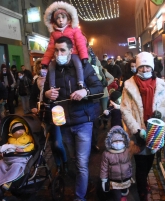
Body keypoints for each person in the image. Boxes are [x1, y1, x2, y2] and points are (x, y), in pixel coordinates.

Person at [44, 36, 104, 201]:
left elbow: (99, 88)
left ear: (71, 50)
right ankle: (85, 185)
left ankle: (79, 197)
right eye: (56, 50)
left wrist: (86, 92)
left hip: (83, 122)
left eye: (62, 50)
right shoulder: (52, 70)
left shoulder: (83, 67)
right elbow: (44, 96)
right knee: (73, 160)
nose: (58, 53)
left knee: (82, 164)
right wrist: (47, 94)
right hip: (63, 124)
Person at [120, 52, 165, 201]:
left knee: (149, 160)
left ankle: (143, 181)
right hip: (138, 131)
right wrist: (137, 130)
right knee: (140, 164)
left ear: (152, 67)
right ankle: (142, 191)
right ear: (137, 68)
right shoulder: (129, 85)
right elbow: (125, 110)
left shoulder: (160, 84)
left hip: (154, 131)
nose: (145, 70)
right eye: (142, 67)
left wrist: (160, 113)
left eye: (148, 67)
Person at [29, 59, 68, 174]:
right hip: (44, 114)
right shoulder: (37, 81)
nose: (43, 70)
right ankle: (58, 165)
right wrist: (33, 107)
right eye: (41, 67)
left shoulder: (57, 78)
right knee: (50, 143)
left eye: (45, 67)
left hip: (56, 114)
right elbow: (32, 97)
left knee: (58, 143)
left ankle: (65, 161)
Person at [42, 1, 88, 89]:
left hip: (73, 53)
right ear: (54, 20)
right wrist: (45, 62)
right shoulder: (54, 33)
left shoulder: (74, 29)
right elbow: (51, 48)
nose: (61, 20)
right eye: (58, 18)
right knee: (52, 66)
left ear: (68, 18)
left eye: (63, 17)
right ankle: (52, 86)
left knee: (78, 64)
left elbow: (80, 43)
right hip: (59, 55)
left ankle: (80, 83)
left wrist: (84, 57)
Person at [0, 120, 34, 200]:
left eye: (21, 128)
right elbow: (7, 147)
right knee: (0, 163)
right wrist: (3, 151)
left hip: (20, 158)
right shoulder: (10, 139)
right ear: (12, 132)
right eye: (16, 130)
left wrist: (23, 150)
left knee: (16, 166)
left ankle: (8, 181)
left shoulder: (28, 137)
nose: (19, 131)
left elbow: (31, 145)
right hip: (9, 158)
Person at [100, 126, 133, 201]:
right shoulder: (106, 154)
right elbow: (104, 168)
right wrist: (104, 180)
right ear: (110, 142)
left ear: (124, 141)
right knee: (116, 197)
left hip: (125, 180)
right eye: (115, 141)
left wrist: (130, 175)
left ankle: (123, 196)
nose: (118, 143)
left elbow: (129, 164)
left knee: (124, 192)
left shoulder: (126, 151)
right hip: (114, 182)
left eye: (120, 141)